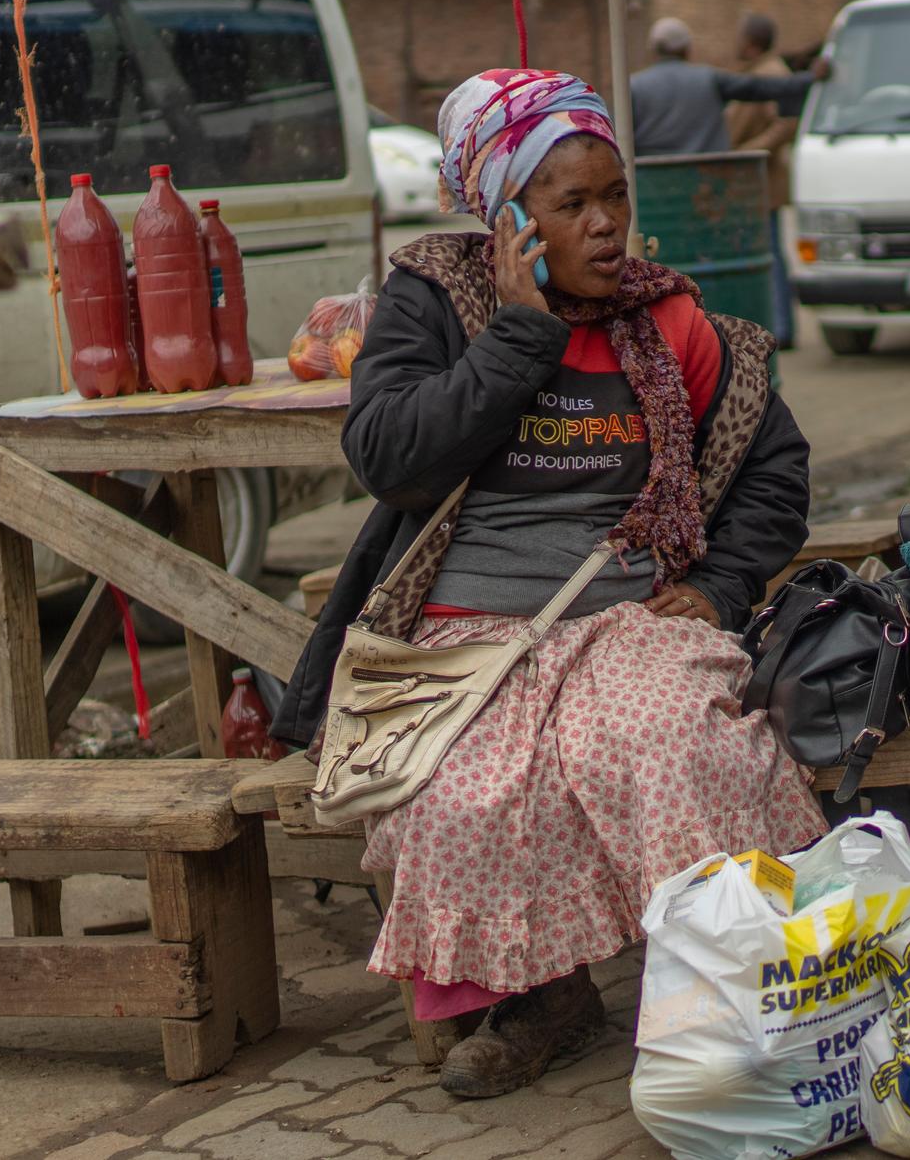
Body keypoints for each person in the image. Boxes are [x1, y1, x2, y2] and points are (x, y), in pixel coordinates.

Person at [278, 68, 827, 1099]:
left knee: (674, 745)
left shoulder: (671, 324)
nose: (608, 224)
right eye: (572, 204)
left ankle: (724, 996)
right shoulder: (434, 299)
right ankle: (545, 1002)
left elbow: (769, 469)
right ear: (507, 217)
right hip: (462, 630)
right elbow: (390, 457)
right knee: (459, 797)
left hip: (626, 613)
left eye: (614, 195)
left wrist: (714, 589)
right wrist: (521, 335)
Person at [629, 16, 821, 157]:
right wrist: (810, 78)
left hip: (651, 185)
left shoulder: (632, 86)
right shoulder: (709, 78)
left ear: (653, 50)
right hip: (708, 183)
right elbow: (760, 87)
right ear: (687, 49)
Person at [724, 13, 800, 349]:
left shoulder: (772, 75)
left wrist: (747, 152)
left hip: (763, 180)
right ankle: (777, 325)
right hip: (754, 182)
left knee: (769, 255)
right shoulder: (758, 72)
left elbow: (785, 125)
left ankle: (781, 329)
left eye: (740, 36)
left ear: (751, 41)